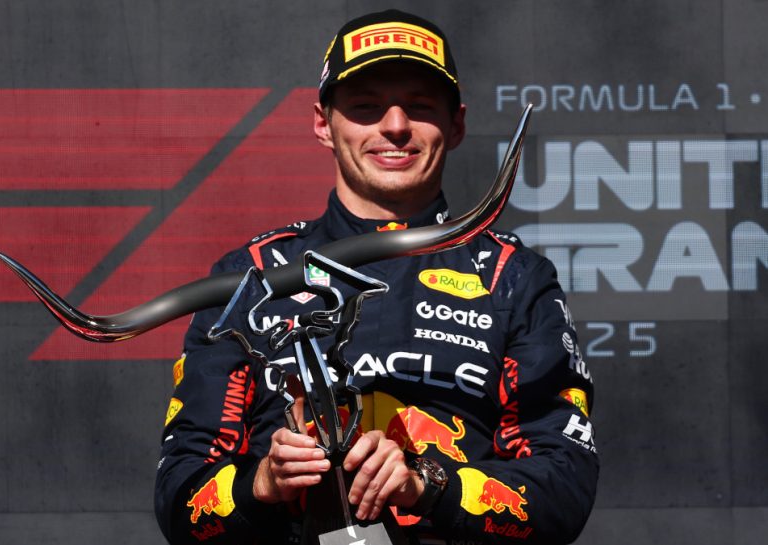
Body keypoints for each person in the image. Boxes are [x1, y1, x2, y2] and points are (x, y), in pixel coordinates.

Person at [154, 9, 599, 544]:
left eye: (419, 106)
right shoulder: (251, 275)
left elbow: (565, 488)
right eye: (366, 107)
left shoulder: (513, 277)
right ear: (323, 123)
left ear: (456, 124)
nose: (394, 126)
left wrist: (427, 485)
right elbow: (179, 498)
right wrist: (264, 483)